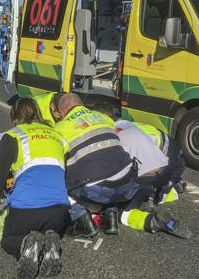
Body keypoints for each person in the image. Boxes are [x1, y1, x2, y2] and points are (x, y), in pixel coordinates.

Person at [52, 93, 189, 239]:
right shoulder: (106, 120)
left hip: (124, 183)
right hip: (153, 172)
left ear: (61, 113)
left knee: (123, 213)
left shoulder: (61, 128)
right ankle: (152, 199)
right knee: (113, 178)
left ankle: (149, 221)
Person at [0, 98, 70, 279]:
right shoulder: (56, 135)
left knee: (8, 241)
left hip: (26, 210)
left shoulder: (13, 136)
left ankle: (25, 247)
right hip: (59, 211)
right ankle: (48, 243)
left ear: (15, 117)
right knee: (43, 232)